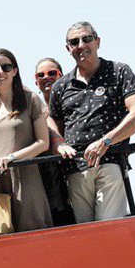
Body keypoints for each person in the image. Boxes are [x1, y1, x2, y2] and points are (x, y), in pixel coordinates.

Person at [48, 22, 135, 223]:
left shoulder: (119, 71)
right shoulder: (60, 86)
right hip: (75, 169)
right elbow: (52, 123)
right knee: (86, 234)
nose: (81, 45)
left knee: (109, 227)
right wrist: (59, 143)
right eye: (74, 42)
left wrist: (106, 141)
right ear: (68, 49)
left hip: (110, 160)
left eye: (87, 39)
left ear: (98, 41)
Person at [0, 49, 53, 232]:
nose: (0, 72)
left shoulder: (31, 100)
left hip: (25, 182)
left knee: (34, 240)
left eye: (6, 67)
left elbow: (43, 142)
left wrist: (11, 158)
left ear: (15, 71)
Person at [34, 57, 77, 227]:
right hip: (50, 186)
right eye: (40, 75)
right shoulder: (32, 110)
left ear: (62, 76)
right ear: (36, 82)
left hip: (75, 174)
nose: (46, 77)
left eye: (52, 73)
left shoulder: (73, 107)